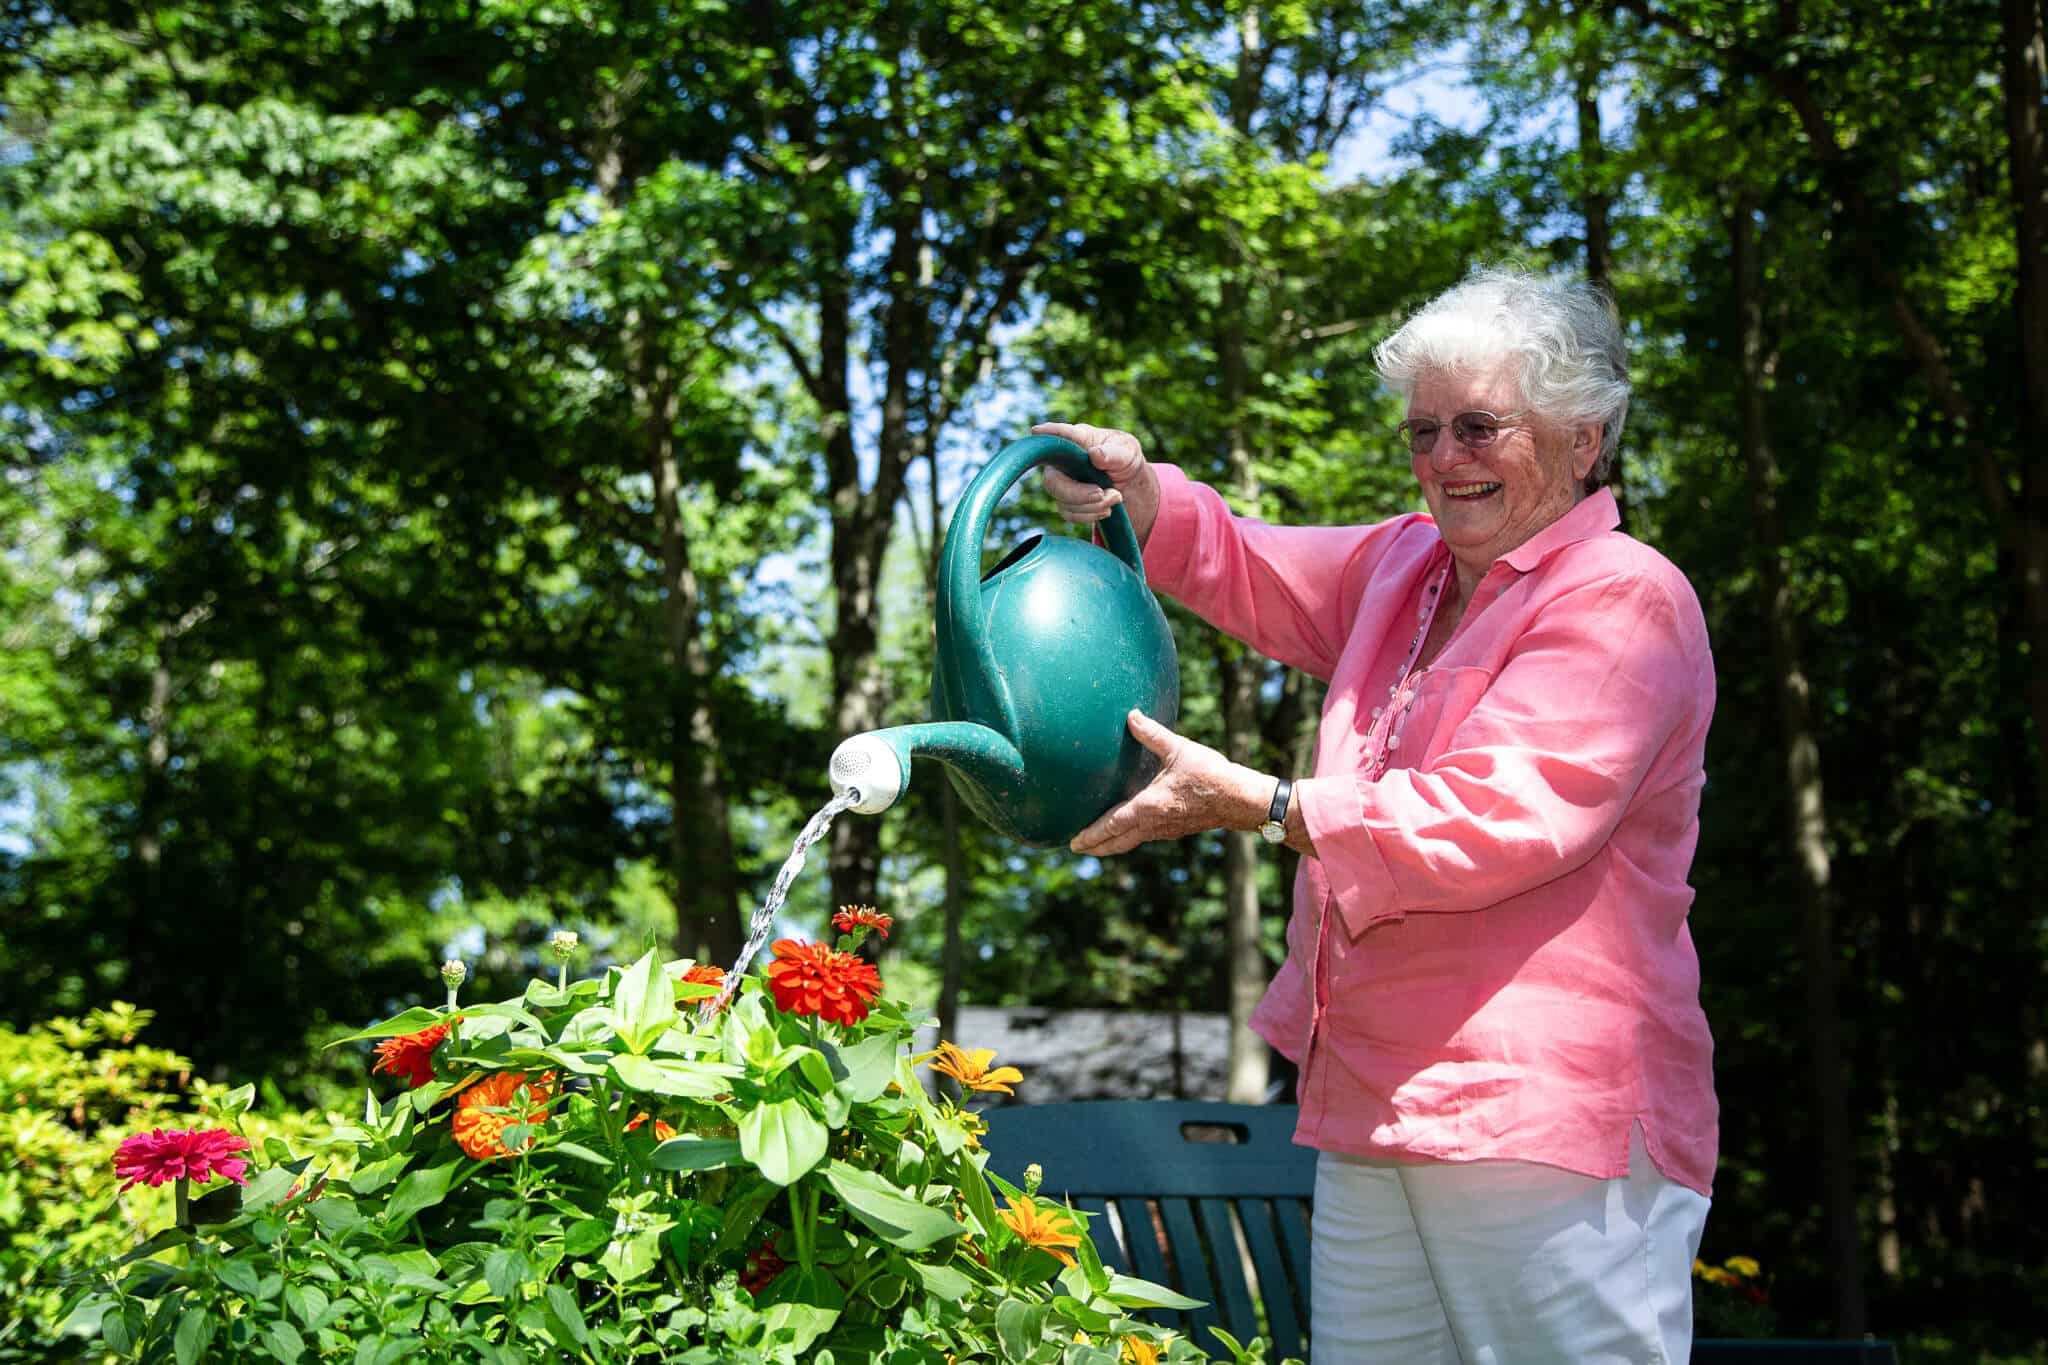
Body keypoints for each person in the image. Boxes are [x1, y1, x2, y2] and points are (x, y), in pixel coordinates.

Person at [1035, 265, 1717, 1364]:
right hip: (1373, 1102)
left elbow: (1493, 818)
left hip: (1540, 1116)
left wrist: (1259, 805)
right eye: (1422, 433)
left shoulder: (1620, 593)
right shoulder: (1405, 562)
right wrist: (1136, 493)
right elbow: (1246, 563)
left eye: (1479, 427)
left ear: (1581, 438)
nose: (1444, 460)